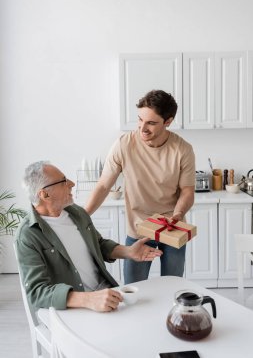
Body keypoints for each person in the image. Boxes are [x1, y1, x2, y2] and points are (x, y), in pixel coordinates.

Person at [15, 161, 162, 320]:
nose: (71, 184)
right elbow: (37, 292)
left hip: (103, 292)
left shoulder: (76, 213)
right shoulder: (28, 235)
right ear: (44, 194)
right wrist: (88, 299)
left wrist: (128, 251)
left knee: (147, 318)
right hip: (71, 309)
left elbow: (98, 244)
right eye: (63, 181)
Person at [85, 90, 195, 284]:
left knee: (171, 286)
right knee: (133, 288)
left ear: (168, 121)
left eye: (151, 123)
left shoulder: (182, 149)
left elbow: (187, 191)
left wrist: (177, 215)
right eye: (140, 120)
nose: (142, 128)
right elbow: (103, 185)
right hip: (138, 230)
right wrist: (82, 216)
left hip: (172, 229)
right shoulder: (124, 144)